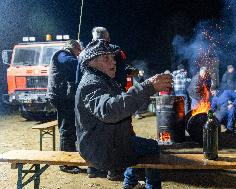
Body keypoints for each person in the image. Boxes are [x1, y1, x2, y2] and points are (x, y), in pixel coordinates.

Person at [75, 40, 172, 189]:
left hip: (106, 143)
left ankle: (130, 183)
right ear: (91, 63)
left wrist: (127, 131)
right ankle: (147, 185)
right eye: (106, 58)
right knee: (152, 147)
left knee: (144, 145)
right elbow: (109, 110)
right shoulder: (91, 83)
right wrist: (147, 87)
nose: (113, 61)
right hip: (101, 150)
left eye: (113, 57)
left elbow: (119, 109)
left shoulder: (104, 79)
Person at [47, 39, 82, 174]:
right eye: (78, 51)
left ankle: (69, 157)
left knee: (69, 126)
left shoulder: (67, 54)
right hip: (61, 97)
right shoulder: (61, 54)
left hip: (64, 96)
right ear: (73, 48)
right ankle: (65, 163)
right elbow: (70, 62)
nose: (79, 54)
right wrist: (83, 59)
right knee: (67, 128)